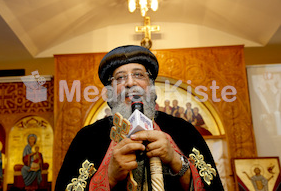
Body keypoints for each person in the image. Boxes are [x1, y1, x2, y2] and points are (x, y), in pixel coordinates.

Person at [55, 45, 224, 191]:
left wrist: (175, 160)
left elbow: (212, 186)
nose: (130, 83)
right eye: (120, 77)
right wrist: (110, 176)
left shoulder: (184, 131)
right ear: (111, 91)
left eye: (138, 75)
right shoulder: (87, 138)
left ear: (150, 86)